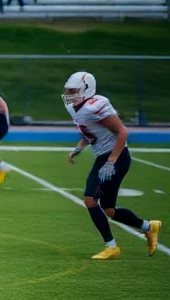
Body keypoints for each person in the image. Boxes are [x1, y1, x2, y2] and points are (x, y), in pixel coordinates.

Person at [63, 72, 161, 259]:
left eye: (72, 90)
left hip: (115, 157)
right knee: (109, 209)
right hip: (104, 157)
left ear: (86, 90)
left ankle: (111, 246)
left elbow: (123, 132)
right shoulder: (76, 107)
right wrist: (78, 148)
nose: (68, 93)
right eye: (67, 90)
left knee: (90, 199)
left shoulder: (94, 107)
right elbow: (90, 132)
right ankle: (149, 227)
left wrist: (111, 161)